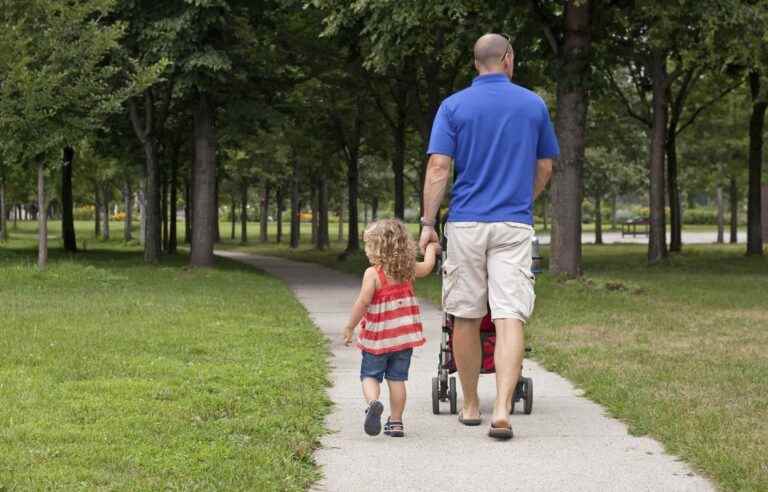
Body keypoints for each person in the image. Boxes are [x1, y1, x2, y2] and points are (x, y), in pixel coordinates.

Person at [419, 33, 558, 440]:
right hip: (513, 224)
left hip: (466, 223)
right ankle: (501, 410)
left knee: (465, 314)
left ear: (475, 63)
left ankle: (468, 404)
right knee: (509, 315)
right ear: (509, 59)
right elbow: (545, 167)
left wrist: (428, 225)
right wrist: (522, 199)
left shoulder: (453, 106)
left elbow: (439, 167)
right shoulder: (533, 104)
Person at [343, 219, 439, 437]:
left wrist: (350, 326)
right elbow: (428, 266)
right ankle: (396, 422)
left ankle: (373, 403)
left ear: (377, 248)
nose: (366, 250)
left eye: (368, 245)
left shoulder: (373, 274)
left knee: (369, 376)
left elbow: (363, 302)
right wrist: (432, 248)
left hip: (377, 340)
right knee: (397, 380)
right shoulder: (408, 269)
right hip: (403, 340)